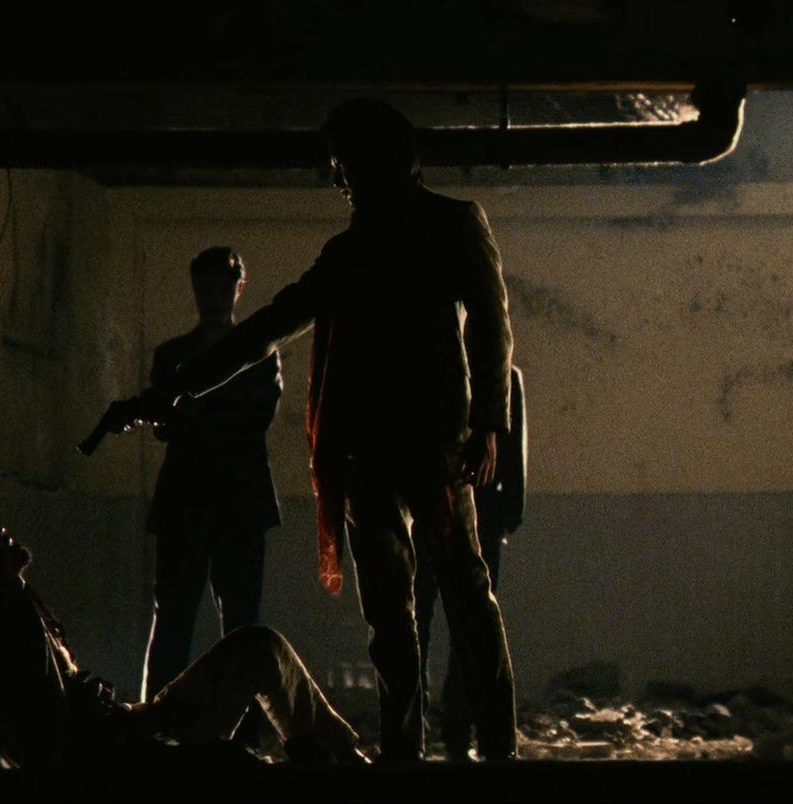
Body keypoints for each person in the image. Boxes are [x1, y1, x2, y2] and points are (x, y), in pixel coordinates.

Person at [112, 98, 518, 762]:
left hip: (423, 449)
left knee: (456, 599)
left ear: (383, 162)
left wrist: (488, 425)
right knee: (402, 613)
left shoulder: (429, 231)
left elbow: (492, 330)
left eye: (346, 165)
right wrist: (173, 391)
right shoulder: (361, 249)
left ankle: (487, 750)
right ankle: (415, 754)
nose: (340, 179)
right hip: (379, 456)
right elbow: (265, 331)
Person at [0, 505, 366, 769]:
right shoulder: (3, 625)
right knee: (241, 760)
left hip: (130, 727)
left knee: (258, 647)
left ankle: (342, 758)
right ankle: (336, 766)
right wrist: (148, 743)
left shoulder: (19, 606)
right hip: (121, 754)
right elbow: (58, 743)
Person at [140, 247, 284, 703]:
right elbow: (249, 420)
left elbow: (171, 422)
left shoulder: (175, 358)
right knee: (223, 623)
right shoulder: (260, 356)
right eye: (208, 287)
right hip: (232, 502)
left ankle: (159, 724)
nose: (214, 296)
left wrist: (193, 416)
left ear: (237, 289)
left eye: (221, 287)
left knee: (186, 621)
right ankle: (230, 729)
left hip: (197, 501)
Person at [415, 365, 525, 760]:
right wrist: (509, 513)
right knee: (470, 624)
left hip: (436, 513)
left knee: (423, 619)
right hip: (478, 519)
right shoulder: (503, 378)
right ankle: (457, 728)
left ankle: (422, 727)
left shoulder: (433, 372)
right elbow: (514, 452)